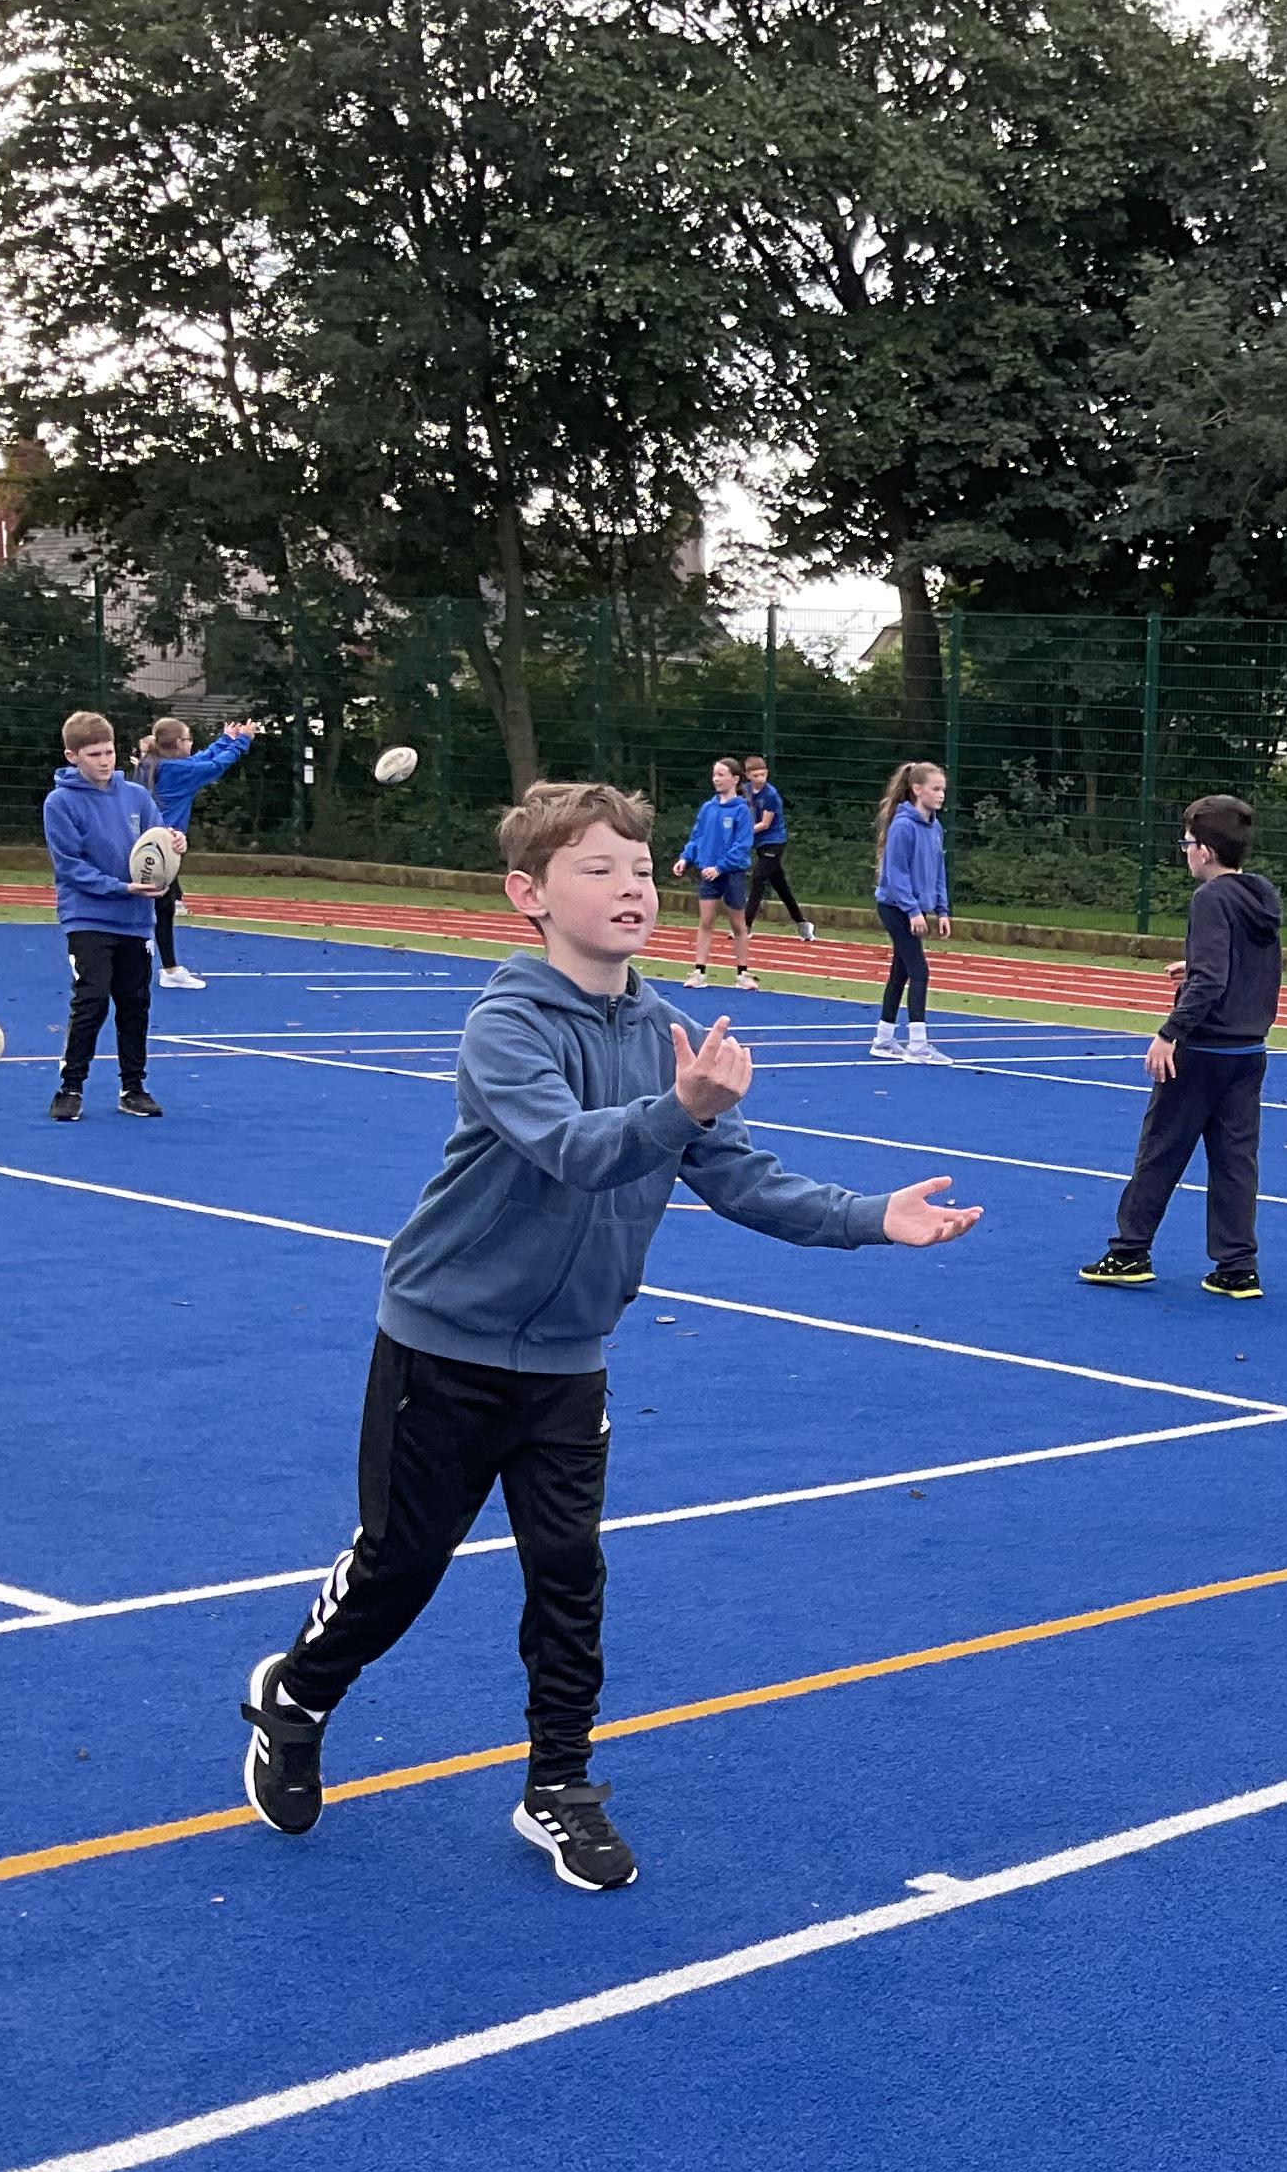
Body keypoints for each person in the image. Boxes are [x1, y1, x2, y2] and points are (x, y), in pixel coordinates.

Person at [234, 779, 983, 1893]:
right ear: (528, 894)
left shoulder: (663, 1031)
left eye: (639, 868)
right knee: (402, 1566)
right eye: (598, 869)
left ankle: (559, 1786)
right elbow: (576, 1148)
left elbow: (739, 1178)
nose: (632, 886)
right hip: (445, 1346)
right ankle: (296, 1694)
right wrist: (684, 1107)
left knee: (568, 1574)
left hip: (569, 1359)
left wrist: (875, 1216)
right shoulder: (505, 1026)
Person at [1080, 794, 1278, 1300]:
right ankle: (1237, 1265)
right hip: (1248, 1051)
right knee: (1236, 1162)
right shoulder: (1260, 896)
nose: (1185, 851)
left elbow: (1212, 980)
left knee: (1161, 1150)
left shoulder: (1210, 899)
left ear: (1205, 849)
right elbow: (1242, 965)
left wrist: (1170, 1032)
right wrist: (1196, 967)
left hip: (1204, 1051)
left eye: (1188, 842)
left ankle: (1130, 1250)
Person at [46, 709, 175, 1121]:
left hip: (135, 919)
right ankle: (70, 1087)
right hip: (88, 917)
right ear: (72, 757)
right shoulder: (60, 802)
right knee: (92, 999)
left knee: (135, 1003)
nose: (105, 761)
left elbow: (159, 842)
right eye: (94, 754)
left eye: (109, 751)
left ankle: (133, 1087)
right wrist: (119, 887)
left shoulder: (136, 797)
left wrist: (175, 847)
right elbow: (70, 866)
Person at [133, 713, 259, 991]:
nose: (191, 743)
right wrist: (242, 742)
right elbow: (214, 766)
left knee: (160, 906)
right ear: (178, 743)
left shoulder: (155, 764)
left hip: (148, 843)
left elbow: (199, 760)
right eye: (189, 739)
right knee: (158, 907)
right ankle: (165, 969)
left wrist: (226, 739)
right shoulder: (176, 771)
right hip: (162, 846)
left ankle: (166, 968)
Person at [870, 762, 953, 1064]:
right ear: (917, 789)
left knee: (901, 971)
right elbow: (896, 874)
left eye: (943, 789)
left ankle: (883, 1039)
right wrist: (913, 911)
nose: (941, 794)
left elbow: (938, 872)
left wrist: (942, 910)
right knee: (919, 971)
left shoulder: (935, 828)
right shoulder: (903, 826)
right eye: (935, 789)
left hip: (914, 908)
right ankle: (918, 1044)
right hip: (895, 907)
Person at [672, 756, 758, 988]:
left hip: (731, 873)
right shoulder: (708, 808)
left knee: (738, 924)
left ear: (735, 779)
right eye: (714, 774)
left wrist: (720, 867)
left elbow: (742, 845)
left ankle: (742, 974)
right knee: (706, 921)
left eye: (721, 774)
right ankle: (699, 972)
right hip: (708, 873)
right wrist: (685, 858)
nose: (716, 779)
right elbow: (697, 837)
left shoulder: (742, 810)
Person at [740, 755, 816, 944]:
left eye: (763, 774)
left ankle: (745, 925)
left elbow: (765, 824)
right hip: (759, 843)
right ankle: (803, 924)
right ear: (747, 775)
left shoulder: (771, 794)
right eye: (755, 775)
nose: (760, 778)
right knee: (781, 886)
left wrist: (742, 833)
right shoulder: (744, 791)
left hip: (774, 842)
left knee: (758, 878)